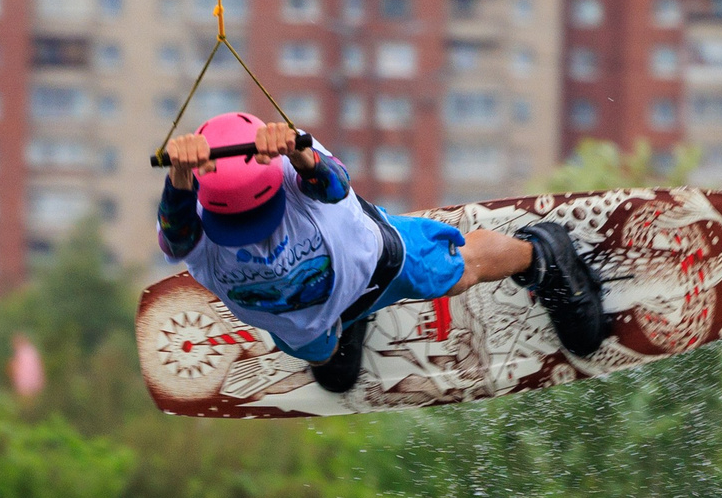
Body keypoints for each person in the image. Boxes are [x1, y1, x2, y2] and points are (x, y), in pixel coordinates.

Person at [158, 112, 605, 394]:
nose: (249, 235)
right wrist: (178, 174)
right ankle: (347, 325)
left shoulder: (297, 184)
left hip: (377, 264)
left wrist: (299, 152)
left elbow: (334, 182)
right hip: (311, 324)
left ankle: (544, 254)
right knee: (321, 358)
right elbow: (174, 229)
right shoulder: (197, 234)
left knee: (460, 270)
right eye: (237, 227)